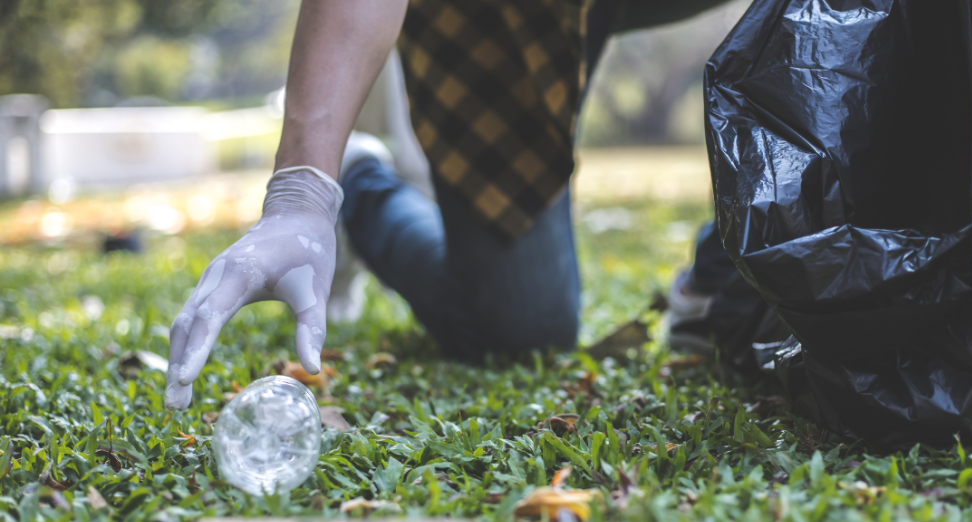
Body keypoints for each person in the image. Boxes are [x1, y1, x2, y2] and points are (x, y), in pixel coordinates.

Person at [165, 0, 730, 410]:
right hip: (495, 14)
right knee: (522, 331)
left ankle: (722, 275)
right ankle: (363, 189)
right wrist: (301, 197)